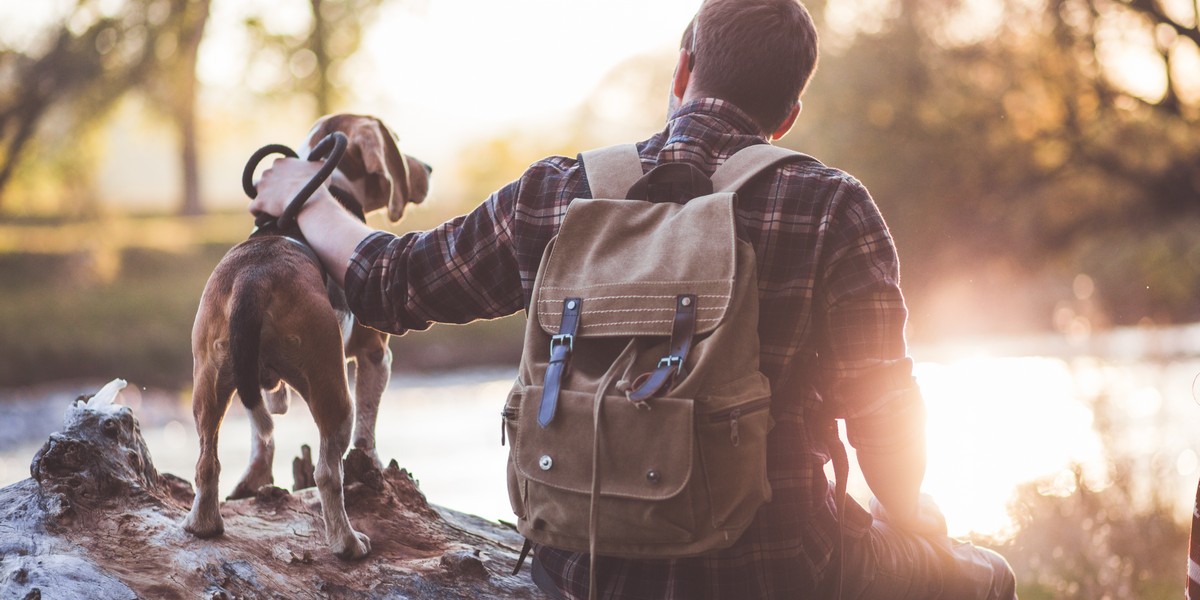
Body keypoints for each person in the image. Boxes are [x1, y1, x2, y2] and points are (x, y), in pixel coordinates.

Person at [250, 0, 1018, 597]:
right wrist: (918, 524)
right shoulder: (831, 207)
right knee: (984, 577)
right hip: (781, 577)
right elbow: (883, 421)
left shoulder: (559, 193)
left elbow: (394, 283)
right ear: (786, 118)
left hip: (582, 574)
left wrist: (308, 198)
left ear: (682, 71)